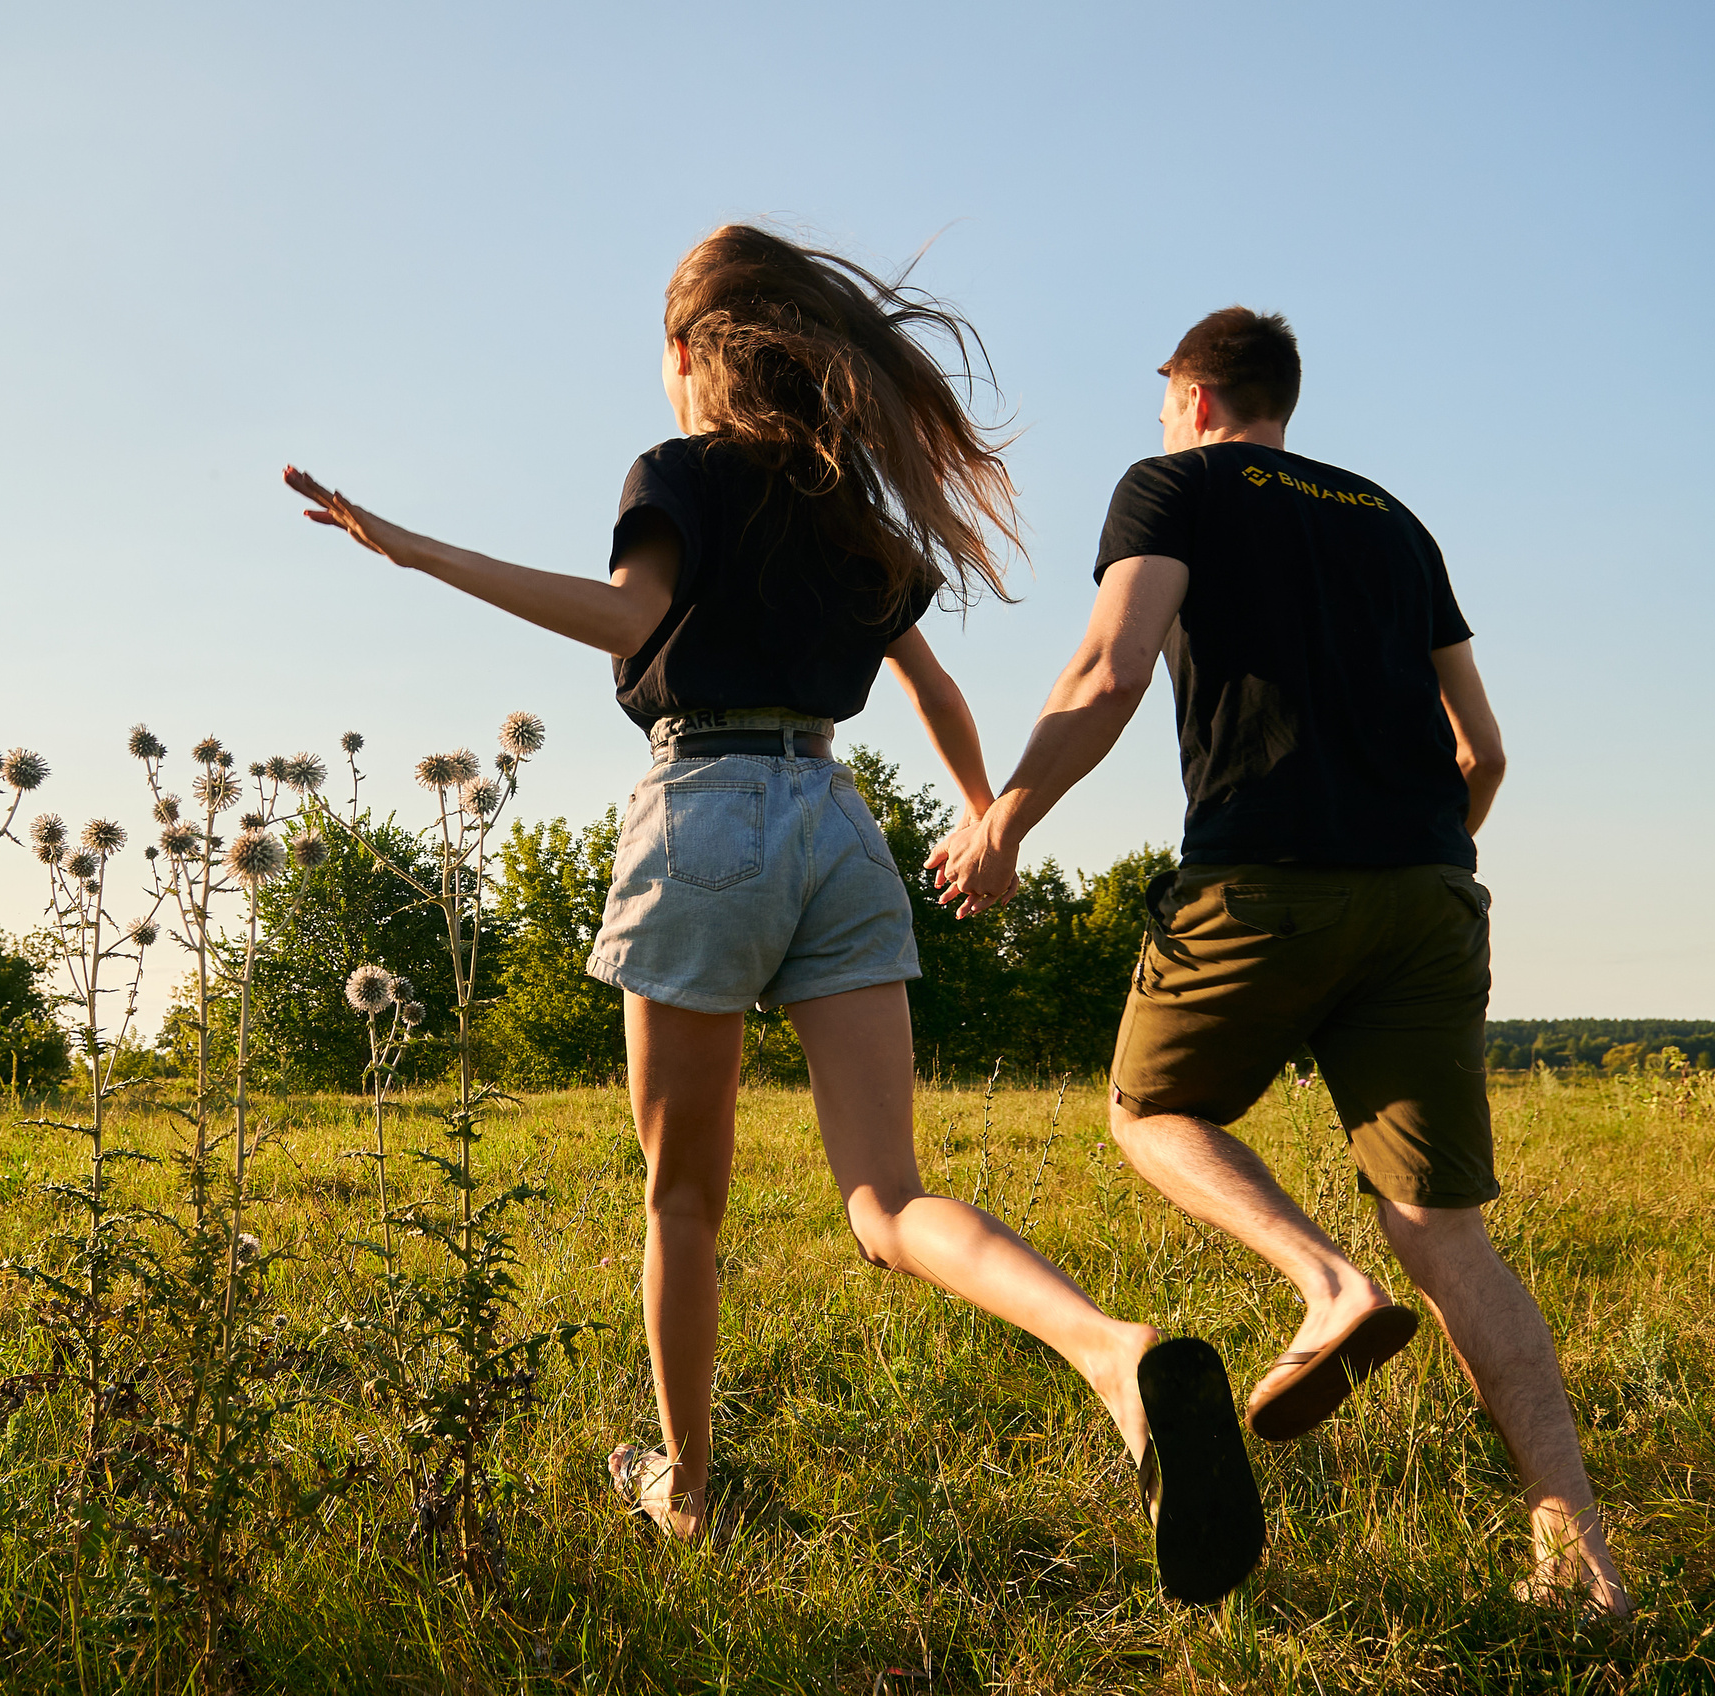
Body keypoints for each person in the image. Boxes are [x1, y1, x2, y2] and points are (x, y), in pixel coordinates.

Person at [286, 225, 1264, 1604]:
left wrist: (414, 552)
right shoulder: (840, 501)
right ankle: (1112, 1350)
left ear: (691, 354)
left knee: (684, 1197)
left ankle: (683, 1489)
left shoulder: (675, 475)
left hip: (707, 814)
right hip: (839, 821)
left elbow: (628, 620)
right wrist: (984, 816)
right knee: (887, 1198)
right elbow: (922, 680)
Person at [933, 306, 1632, 1617]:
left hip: (1265, 882)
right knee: (1452, 1234)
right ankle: (1578, 1556)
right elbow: (1483, 750)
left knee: (1150, 1109)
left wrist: (1002, 822)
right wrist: (1408, 866)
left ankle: (1324, 1286)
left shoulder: (1174, 486)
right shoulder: (1395, 520)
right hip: (1430, 894)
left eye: (1161, 404)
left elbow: (1111, 667)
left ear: (1192, 394)